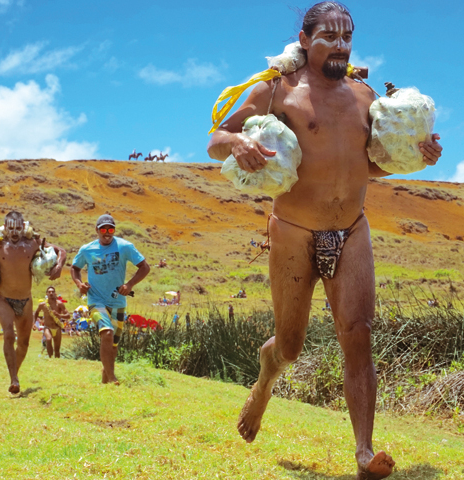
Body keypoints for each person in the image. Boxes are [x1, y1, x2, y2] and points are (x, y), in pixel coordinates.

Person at [206, 3, 442, 478]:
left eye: (346, 37)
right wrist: (240, 145)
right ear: (306, 38)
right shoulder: (276, 90)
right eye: (329, 36)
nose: (340, 45)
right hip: (293, 232)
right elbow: (216, 137)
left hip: (351, 230)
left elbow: (369, 163)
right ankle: (265, 380)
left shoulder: (363, 94)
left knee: (358, 336)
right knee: (290, 347)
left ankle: (363, 452)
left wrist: (419, 155)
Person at [0, 211, 67, 394]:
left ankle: (14, 374)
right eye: (10, 228)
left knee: (24, 343)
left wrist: (59, 266)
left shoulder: (33, 243)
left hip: (26, 300)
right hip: (4, 299)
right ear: (5, 227)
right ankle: (14, 379)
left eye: (18, 228)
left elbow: (62, 251)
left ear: (23, 227)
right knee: (9, 335)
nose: (14, 232)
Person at [71, 214, 150, 385]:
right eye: (103, 229)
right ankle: (113, 378)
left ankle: (105, 381)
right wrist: (79, 284)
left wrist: (129, 284)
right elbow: (75, 268)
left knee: (113, 346)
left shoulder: (125, 246)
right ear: (97, 230)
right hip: (96, 300)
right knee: (106, 333)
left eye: (110, 229)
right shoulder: (87, 249)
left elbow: (145, 267)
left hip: (118, 301)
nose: (107, 233)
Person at [34, 286, 70, 358]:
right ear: (46, 294)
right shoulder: (42, 305)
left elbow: (68, 315)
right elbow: (36, 313)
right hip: (47, 327)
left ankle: (56, 361)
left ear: (55, 293)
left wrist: (59, 315)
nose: (51, 293)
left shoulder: (59, 304)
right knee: (48, 339)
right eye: (49, 292)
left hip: (57, 327)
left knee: (57, 350)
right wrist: (33, 323)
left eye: (52, 292)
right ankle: (50, 358)